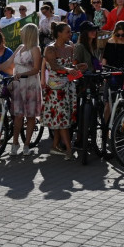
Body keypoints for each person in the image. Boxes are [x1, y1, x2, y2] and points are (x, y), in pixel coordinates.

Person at [42, 22, 77, 158]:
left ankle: (54, 146)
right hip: (56, 89)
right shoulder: (50, 48)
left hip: (68, 87)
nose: (70, 34)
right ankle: (69, 150)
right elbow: (55, 66)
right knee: (62, 119)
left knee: (61, 118)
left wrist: (79, 67)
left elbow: (71, 66)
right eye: (68, 32)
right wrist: (69, 69)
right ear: (59, 34)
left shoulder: (70, 48)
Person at [11, 23, 42, 153]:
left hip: (30, 84)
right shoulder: (20, 47)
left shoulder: (35, 49)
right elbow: (10, 61)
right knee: (18, 115)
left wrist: (22, 74)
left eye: (22, 31)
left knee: (30, 116)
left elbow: (36, 69)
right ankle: (15, 142)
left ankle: (27, 144)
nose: (20, 33)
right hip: (18, 83)